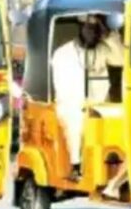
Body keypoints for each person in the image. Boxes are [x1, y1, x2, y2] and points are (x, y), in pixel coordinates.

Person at [51, 15, 121, 182]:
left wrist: (109, 36)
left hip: (100, 103)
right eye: (88, 28)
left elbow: (120, 60)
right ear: (81, 28)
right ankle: (76, 166)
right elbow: (61, 84)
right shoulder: (64, 52)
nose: (92, 33)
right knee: (75, 120)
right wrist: (79, 102)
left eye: (95, 29)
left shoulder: (102, 49)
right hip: (72, 103)